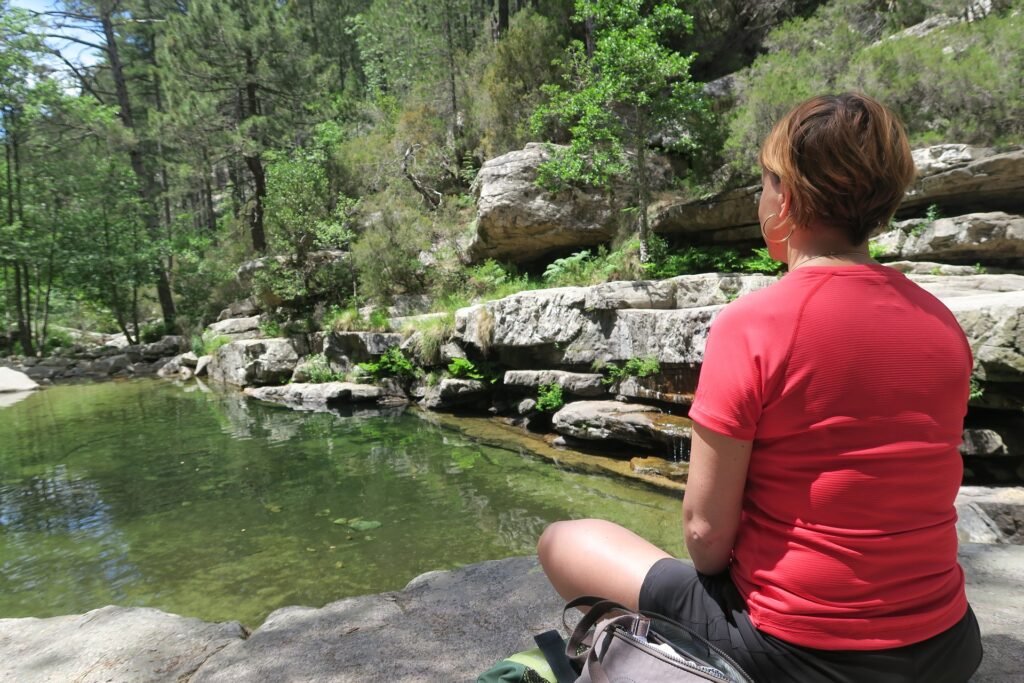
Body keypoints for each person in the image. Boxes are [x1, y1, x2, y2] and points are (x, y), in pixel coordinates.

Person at [536, 93, 983, 682]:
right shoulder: (941, 324)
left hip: (800, 656)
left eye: (765, 182)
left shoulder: (755, 324)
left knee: (563, 540)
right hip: (948, 645)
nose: (760, 197)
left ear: (788, 200)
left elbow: (704, 538)